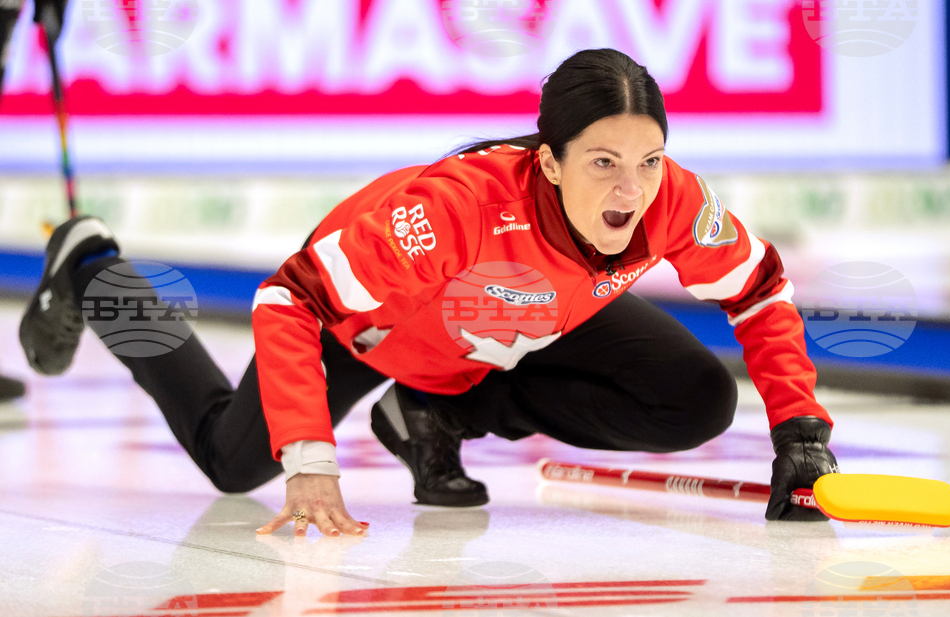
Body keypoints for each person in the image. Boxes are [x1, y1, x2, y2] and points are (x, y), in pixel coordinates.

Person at [18, 49, 838, 538]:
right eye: (603, 163)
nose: (632, 190)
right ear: (549, 161)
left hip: (529, 314)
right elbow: (288, 299)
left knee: (696, 400)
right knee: (231, 462)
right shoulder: (452, 212)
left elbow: (761, 287)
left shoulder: (672, 199)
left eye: (649, 159)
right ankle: (97, 269)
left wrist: (801, 429)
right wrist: (310, 456)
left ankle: (438, 413)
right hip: (371, 328)